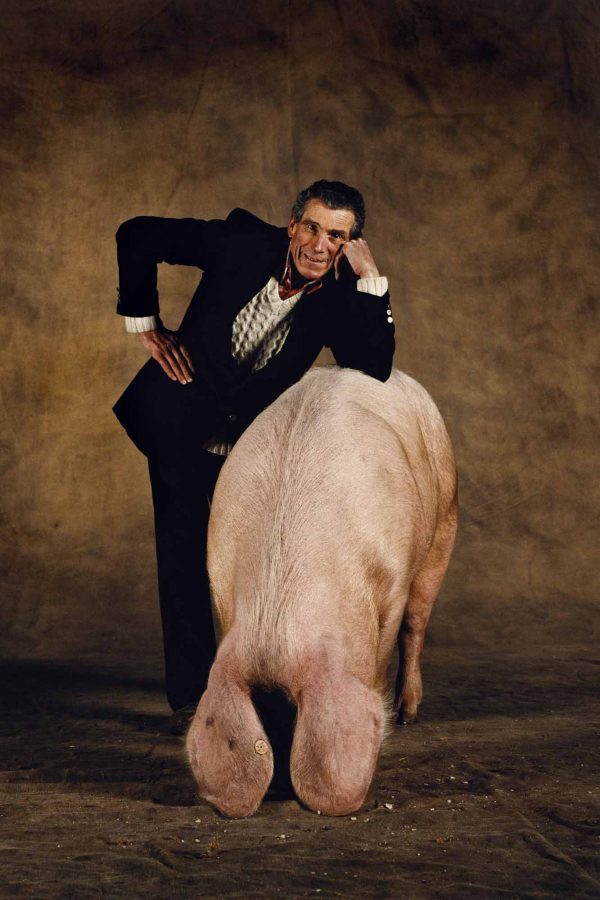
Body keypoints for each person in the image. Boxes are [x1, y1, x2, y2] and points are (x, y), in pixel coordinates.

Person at [113, 180, 395, 726]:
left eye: (337, 236)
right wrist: (146, 326)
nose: (319, 244)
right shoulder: (239, 242)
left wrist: (372, 280)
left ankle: (267, 682)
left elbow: (374, 365)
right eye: (311, 227)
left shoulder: (341, 294)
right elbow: (137, 235)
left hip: (250, 451)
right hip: (177, 428)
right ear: (293, 226)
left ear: (350, 243)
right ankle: (193, 695)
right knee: (183, 558)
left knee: (263, 565)